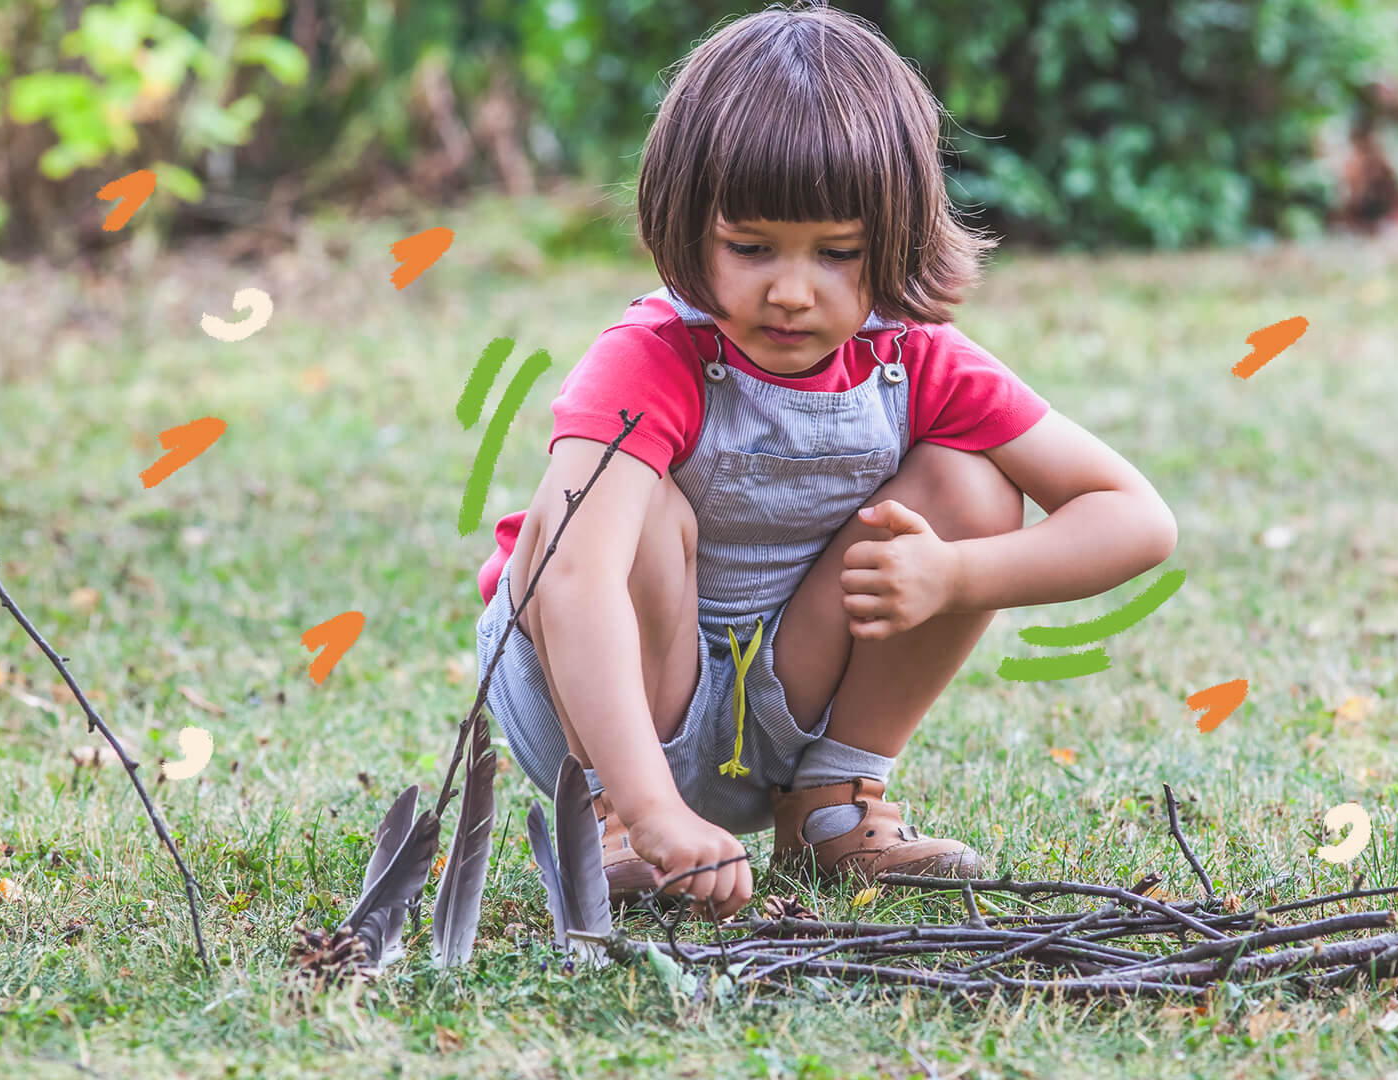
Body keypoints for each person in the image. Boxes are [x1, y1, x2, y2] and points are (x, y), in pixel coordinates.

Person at [473, 1, 1177, 920]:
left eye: (837, 254)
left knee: (972, 480)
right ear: (688, 224)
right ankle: (611, 820)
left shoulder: (912, 354)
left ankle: (831, 805)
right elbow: (571, 581)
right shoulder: (652, 357)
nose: (792, 292)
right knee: (627, 514)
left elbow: (1136, 518)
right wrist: (648, 804)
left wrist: (956, 573)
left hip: (783, 687)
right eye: (750, 247)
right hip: (603, 693)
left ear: (895, 241)